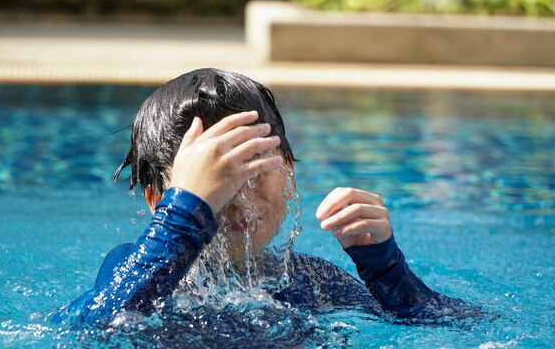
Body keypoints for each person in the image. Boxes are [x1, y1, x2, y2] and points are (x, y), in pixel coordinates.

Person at [51, 68, 476, 325]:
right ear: (158, 202)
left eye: (254, 166)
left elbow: (453, 326)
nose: (238, 196)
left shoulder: (310, 283)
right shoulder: (129, 267)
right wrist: (185, 212)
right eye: (214, 179)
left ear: (287, 171)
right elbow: (90, 328)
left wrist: (385, 268)